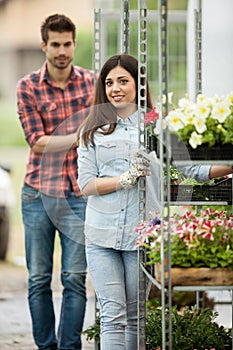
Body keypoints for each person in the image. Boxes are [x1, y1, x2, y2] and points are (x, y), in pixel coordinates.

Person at [77, 53, 233, 350]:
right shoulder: (92, 131)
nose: (115, 88)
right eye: (109, 83)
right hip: (101, 235)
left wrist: (229, 165)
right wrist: (124, 179)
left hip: (141, 237)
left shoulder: (157, 128)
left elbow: (193, 169)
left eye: (123, 81)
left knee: (135, 316)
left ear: (138, 85)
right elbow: (86, 185)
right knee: (112, 315)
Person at [16, 14, 95, 350]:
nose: (62, 51)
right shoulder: (27, 87)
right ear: (44, 45)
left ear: (74, 44)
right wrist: (79, 135)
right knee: (38, 279)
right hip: (38, 193)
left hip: (78, 193)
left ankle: (69, 347)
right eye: (55, 44)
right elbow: (37, 141)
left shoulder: (92, 83)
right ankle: (46, 346)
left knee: (75, 279)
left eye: (67, 44)